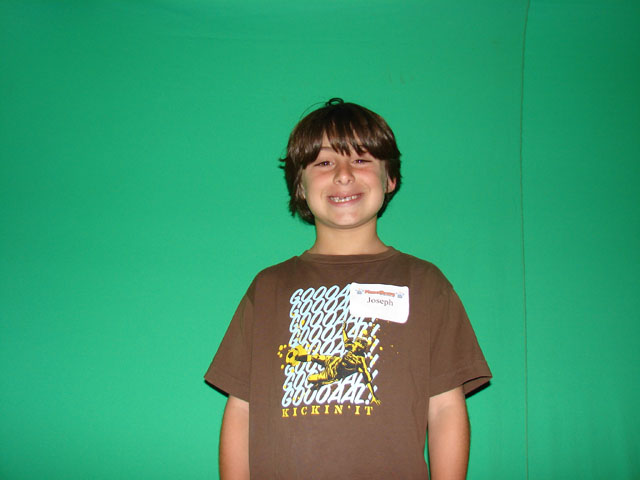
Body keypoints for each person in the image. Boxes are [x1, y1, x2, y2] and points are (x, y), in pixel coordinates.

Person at [204, 98, 492, 479]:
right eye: (324, 163)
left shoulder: (425, 284)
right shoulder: (268, 288)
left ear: (390, 178)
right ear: (300, 185)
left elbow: (444, 408)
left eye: (360, 159)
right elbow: (241, 408)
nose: (343, 175)